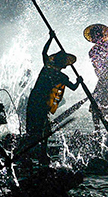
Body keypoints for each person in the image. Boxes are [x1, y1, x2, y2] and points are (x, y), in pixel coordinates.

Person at [24, 31, 82, 166]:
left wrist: (50, 39)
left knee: (38, 128)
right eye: (64, 62)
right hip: (39, 102)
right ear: (62, 63)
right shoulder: (53, 71)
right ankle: (37, 154)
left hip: (37, 101)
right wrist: (78, 81)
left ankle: (39, 154)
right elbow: (74, 87)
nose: (66, 64)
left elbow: (44, 53)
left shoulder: (50, 70)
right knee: (40, 129)